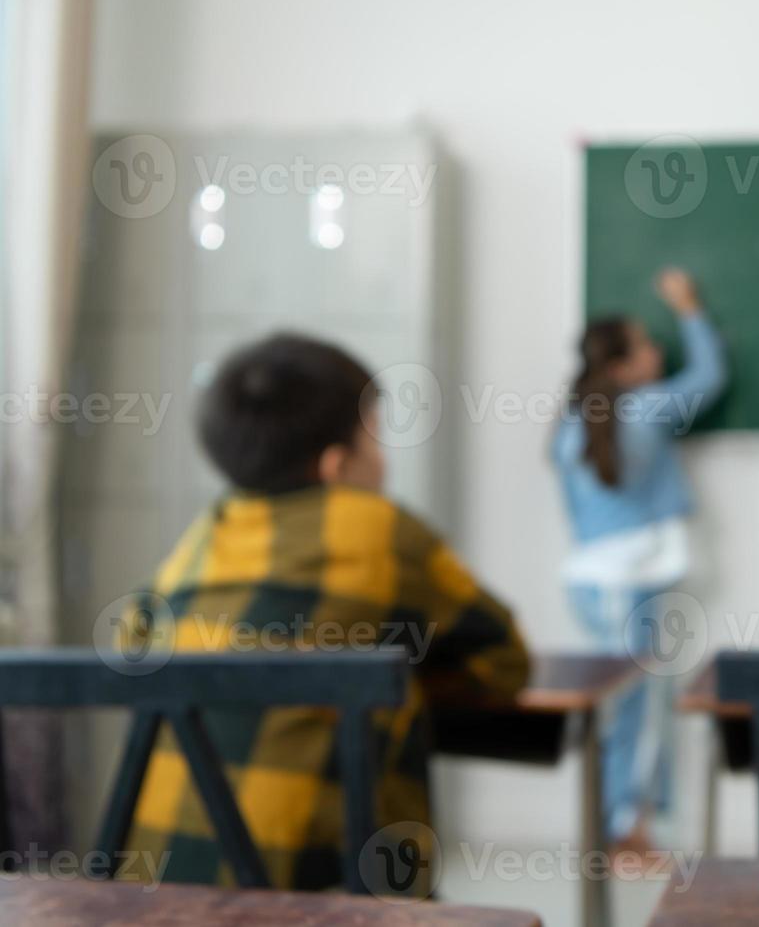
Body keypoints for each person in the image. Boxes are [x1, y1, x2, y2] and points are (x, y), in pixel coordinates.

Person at [117, 332, 530, 895]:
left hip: (152, 898)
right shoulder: (380, 530)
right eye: (377, 443)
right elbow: (505, 663)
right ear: (338, 465)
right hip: (322, 904)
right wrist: (395, 674)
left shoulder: (200, 539)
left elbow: (130, 646)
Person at [551, 267, 726, 862]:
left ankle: (615, 827)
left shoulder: (571, 424)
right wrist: (689, 307)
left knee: (619, 707)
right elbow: (710, 376)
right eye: (646, 345)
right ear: (623, 366)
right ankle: (625, 830)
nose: (657, 351)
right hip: (633, 584)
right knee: (641, 708)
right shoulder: (649, 409)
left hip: (590, 582)